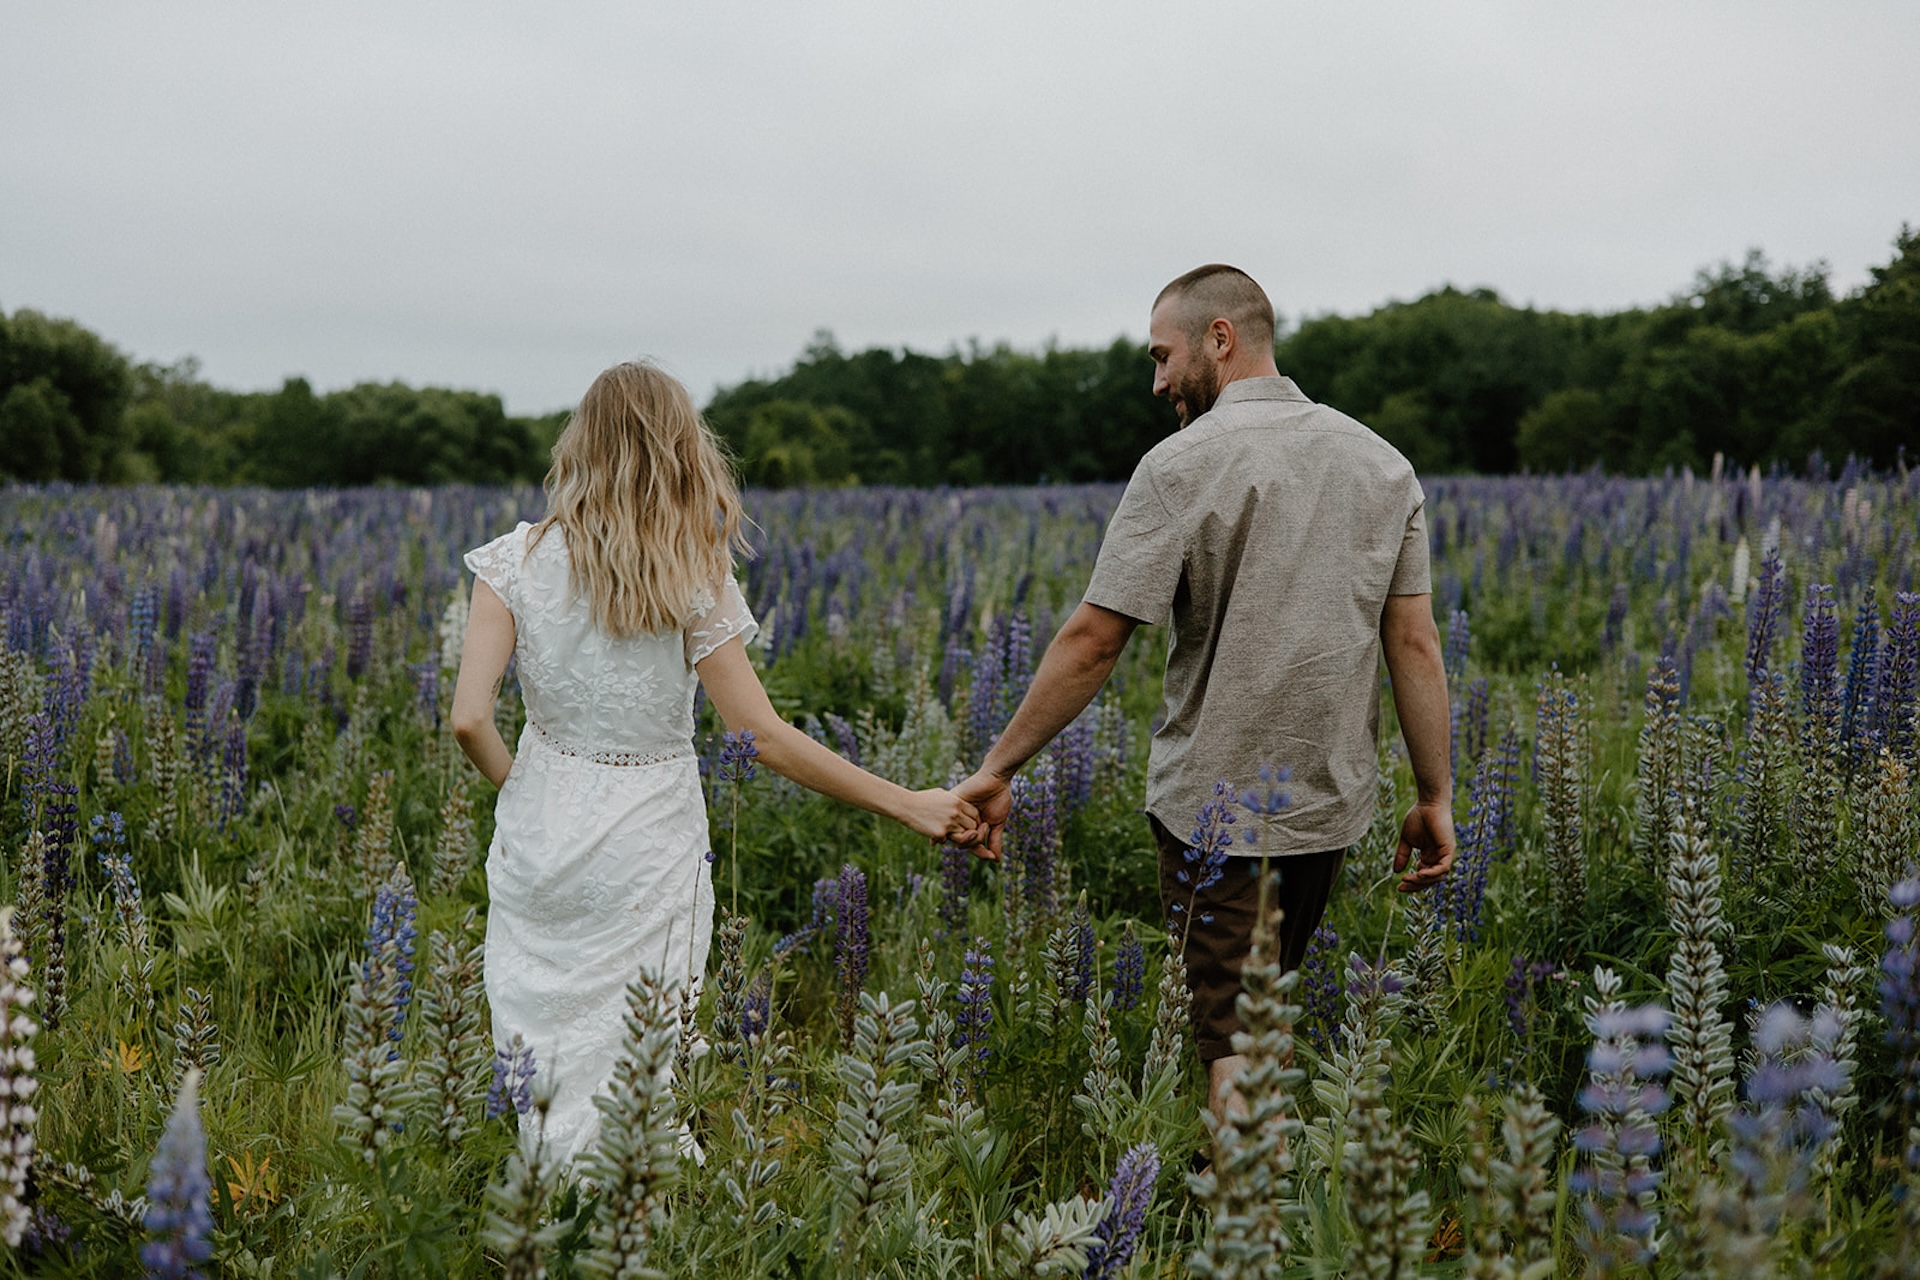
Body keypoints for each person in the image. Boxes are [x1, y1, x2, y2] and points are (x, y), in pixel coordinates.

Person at [452, 359, 983, 1165]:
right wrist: (909, 801)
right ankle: (633, 1216)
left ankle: (551, 1209)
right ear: (678, 449)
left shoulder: (511, 563)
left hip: (540, 831)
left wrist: (525, 788)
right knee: (641, 1055)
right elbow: (761, 736)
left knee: (547, 1049)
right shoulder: (690, 569)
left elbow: (467, 720)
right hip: (649, 837)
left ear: (579, 446)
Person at [957, 265, 1455, 1120]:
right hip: (1327, 803)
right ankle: (1267, 1194)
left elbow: (1093, 639)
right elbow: (1413, 638)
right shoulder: (1381, 463)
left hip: (1214, 812)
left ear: (1220, 338)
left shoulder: (1181, 465)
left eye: (1163, 356)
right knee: (1264, 1016)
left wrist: (998, 767)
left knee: (1235, 1044)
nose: (1156, 382)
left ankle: (1248, 1234)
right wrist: (1436, 792)